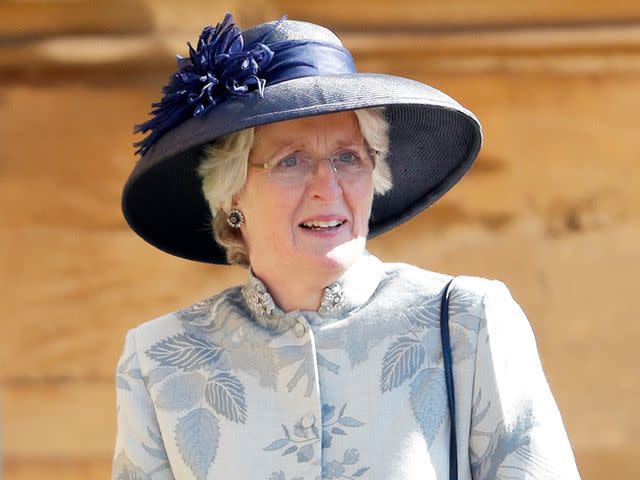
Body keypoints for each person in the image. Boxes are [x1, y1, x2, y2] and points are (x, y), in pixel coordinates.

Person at [113, 13, 580, 480]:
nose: (327, 186)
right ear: (232, 193)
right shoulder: (159, 360)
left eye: (347, 158)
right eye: (291, 160)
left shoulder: (469, 321)